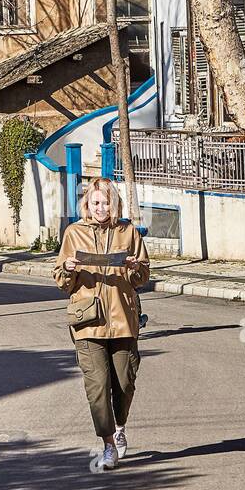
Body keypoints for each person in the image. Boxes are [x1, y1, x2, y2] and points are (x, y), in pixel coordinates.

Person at [53, 177, 151, 471]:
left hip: (122, 319)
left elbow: (143, 276)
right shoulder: (74, 233)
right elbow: (61, 281)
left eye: (105, 202)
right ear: (87, 204)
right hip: (87, 323)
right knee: (97, 386)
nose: (100, 208)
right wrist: (68, 269)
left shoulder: (128, 232)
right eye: (95, 202)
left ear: (114, 204)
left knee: (124, 382)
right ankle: (108, 444)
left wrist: (135, 268)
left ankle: (120, 426)